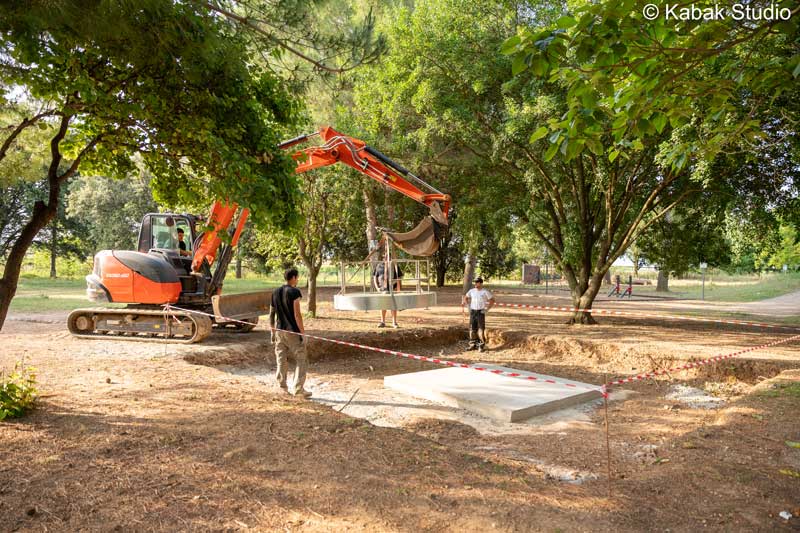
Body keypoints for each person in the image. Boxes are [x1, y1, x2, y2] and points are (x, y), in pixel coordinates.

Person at [269, 268, 312, 398]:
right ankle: (299, 389)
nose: (297, 280)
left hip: (279, 331)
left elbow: (271, 313)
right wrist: (302, 333)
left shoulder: (275, 292)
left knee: (281, 359)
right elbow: (297, 314)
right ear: (293, 277)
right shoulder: (294, 292)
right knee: (301, 358)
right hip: (292, 331)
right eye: (297, 277)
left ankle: (281, 387)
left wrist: (272, 329)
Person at [462, 277, 495, 352]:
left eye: (477, 282)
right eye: (475, 282)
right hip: (473, 312)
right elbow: (466, 298)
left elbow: (492, 300)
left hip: (481, 312)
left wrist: (487, 310)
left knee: (480, 329)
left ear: (481, 283)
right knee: (472, 329)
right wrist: (468, 306)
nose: (475, 284)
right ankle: (472, 344)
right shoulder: (472, 291)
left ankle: (481, 346)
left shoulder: (485, 292)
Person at [374, 260, 403, 328]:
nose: (386, 257)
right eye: (385, 256)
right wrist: (377, 287)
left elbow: (399, 278)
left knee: (393, 306)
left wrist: (398, 289)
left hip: (393, 289)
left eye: (388, 256)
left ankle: (394, 322)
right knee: (383, 305)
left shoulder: (394, 265)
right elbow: (375, 277)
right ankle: (382, 322)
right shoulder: (379, 265)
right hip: (382, 289)